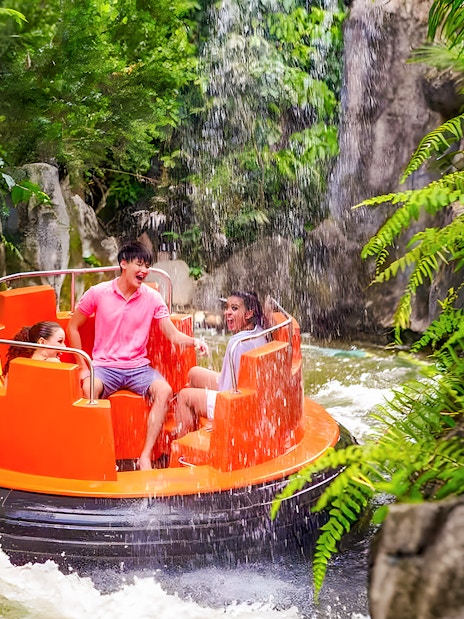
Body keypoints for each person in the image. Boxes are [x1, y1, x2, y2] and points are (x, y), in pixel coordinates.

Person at [66, 240, 209, 471]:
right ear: (124, 263)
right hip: (103, 366)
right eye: (139, 264)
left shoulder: (152, 298)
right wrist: (82, 365)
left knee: (164, 390)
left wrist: (195, 341)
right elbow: (72, 327)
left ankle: (145, 456)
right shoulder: (98, 292)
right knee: (90, 388)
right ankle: (101, 454)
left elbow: (172, 334)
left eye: (147, 266)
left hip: (138, 368)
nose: (144, 271)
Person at [175, 291, 268, 437]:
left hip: (235, 404)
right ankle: (192, 426)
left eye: (234, 308)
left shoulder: (237, 344)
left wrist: (217, 419)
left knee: (184, 396)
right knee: (194, 373)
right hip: (246, 393)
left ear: (249, 313)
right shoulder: (259, 332)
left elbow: (227, 392)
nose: (227, 312)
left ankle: (183, 448)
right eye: (227, 307)